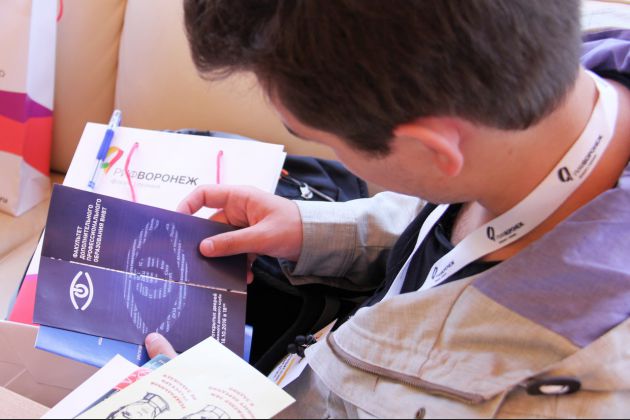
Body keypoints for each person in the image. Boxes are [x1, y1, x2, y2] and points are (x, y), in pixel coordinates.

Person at [145, 1, 630, 417]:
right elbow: (444, 210)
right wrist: (312, 229)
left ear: (434, 148)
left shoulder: (547, 396)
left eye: (317, 137)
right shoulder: (536, 73)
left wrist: (204, 405)